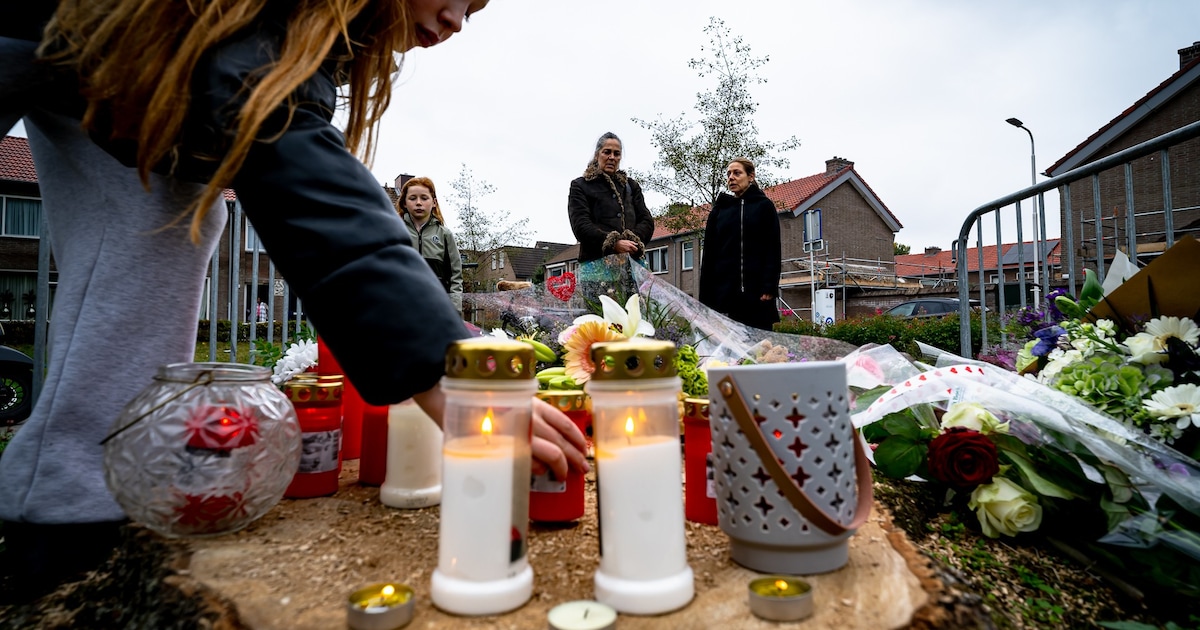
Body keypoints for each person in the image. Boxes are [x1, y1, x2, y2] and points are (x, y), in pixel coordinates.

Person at [0, 0, 586, 598]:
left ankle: (75, 504)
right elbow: (293, 157)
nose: (459, 20)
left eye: (476, 11)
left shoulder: (308, 40)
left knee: (163, 211)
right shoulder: (281, 16)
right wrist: (443, 368)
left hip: (114, 56)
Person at [698, 158, 782, 331]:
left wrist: (769, 286)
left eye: (737, 173)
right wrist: (706, 298)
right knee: (728, 345)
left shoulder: (764, 206)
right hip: (725, 295)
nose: (731, 177)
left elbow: (772, 249)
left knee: (760, 344)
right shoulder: (719, 211)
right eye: (729, 174)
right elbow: (709, 255)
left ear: (751, 176)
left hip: (757, 294)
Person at [567, 132, 655, 263]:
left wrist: (632, 242)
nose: (612, 157)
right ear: (597, 155)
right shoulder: (581, 185)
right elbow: (581, 225)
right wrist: (613, 243)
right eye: (607, 152)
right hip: (596, 264)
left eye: (616, 154)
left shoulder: (631, 186)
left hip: (630, 263)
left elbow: (646, 221)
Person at [397, 177, 464, 317]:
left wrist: (455, 309)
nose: (418, 203)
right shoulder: (394, 232)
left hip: (437, 309)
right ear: (404, 203)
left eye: (424, 198)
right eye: (413, 198)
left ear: (433, 202)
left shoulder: (445, 235)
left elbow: (455, 277)